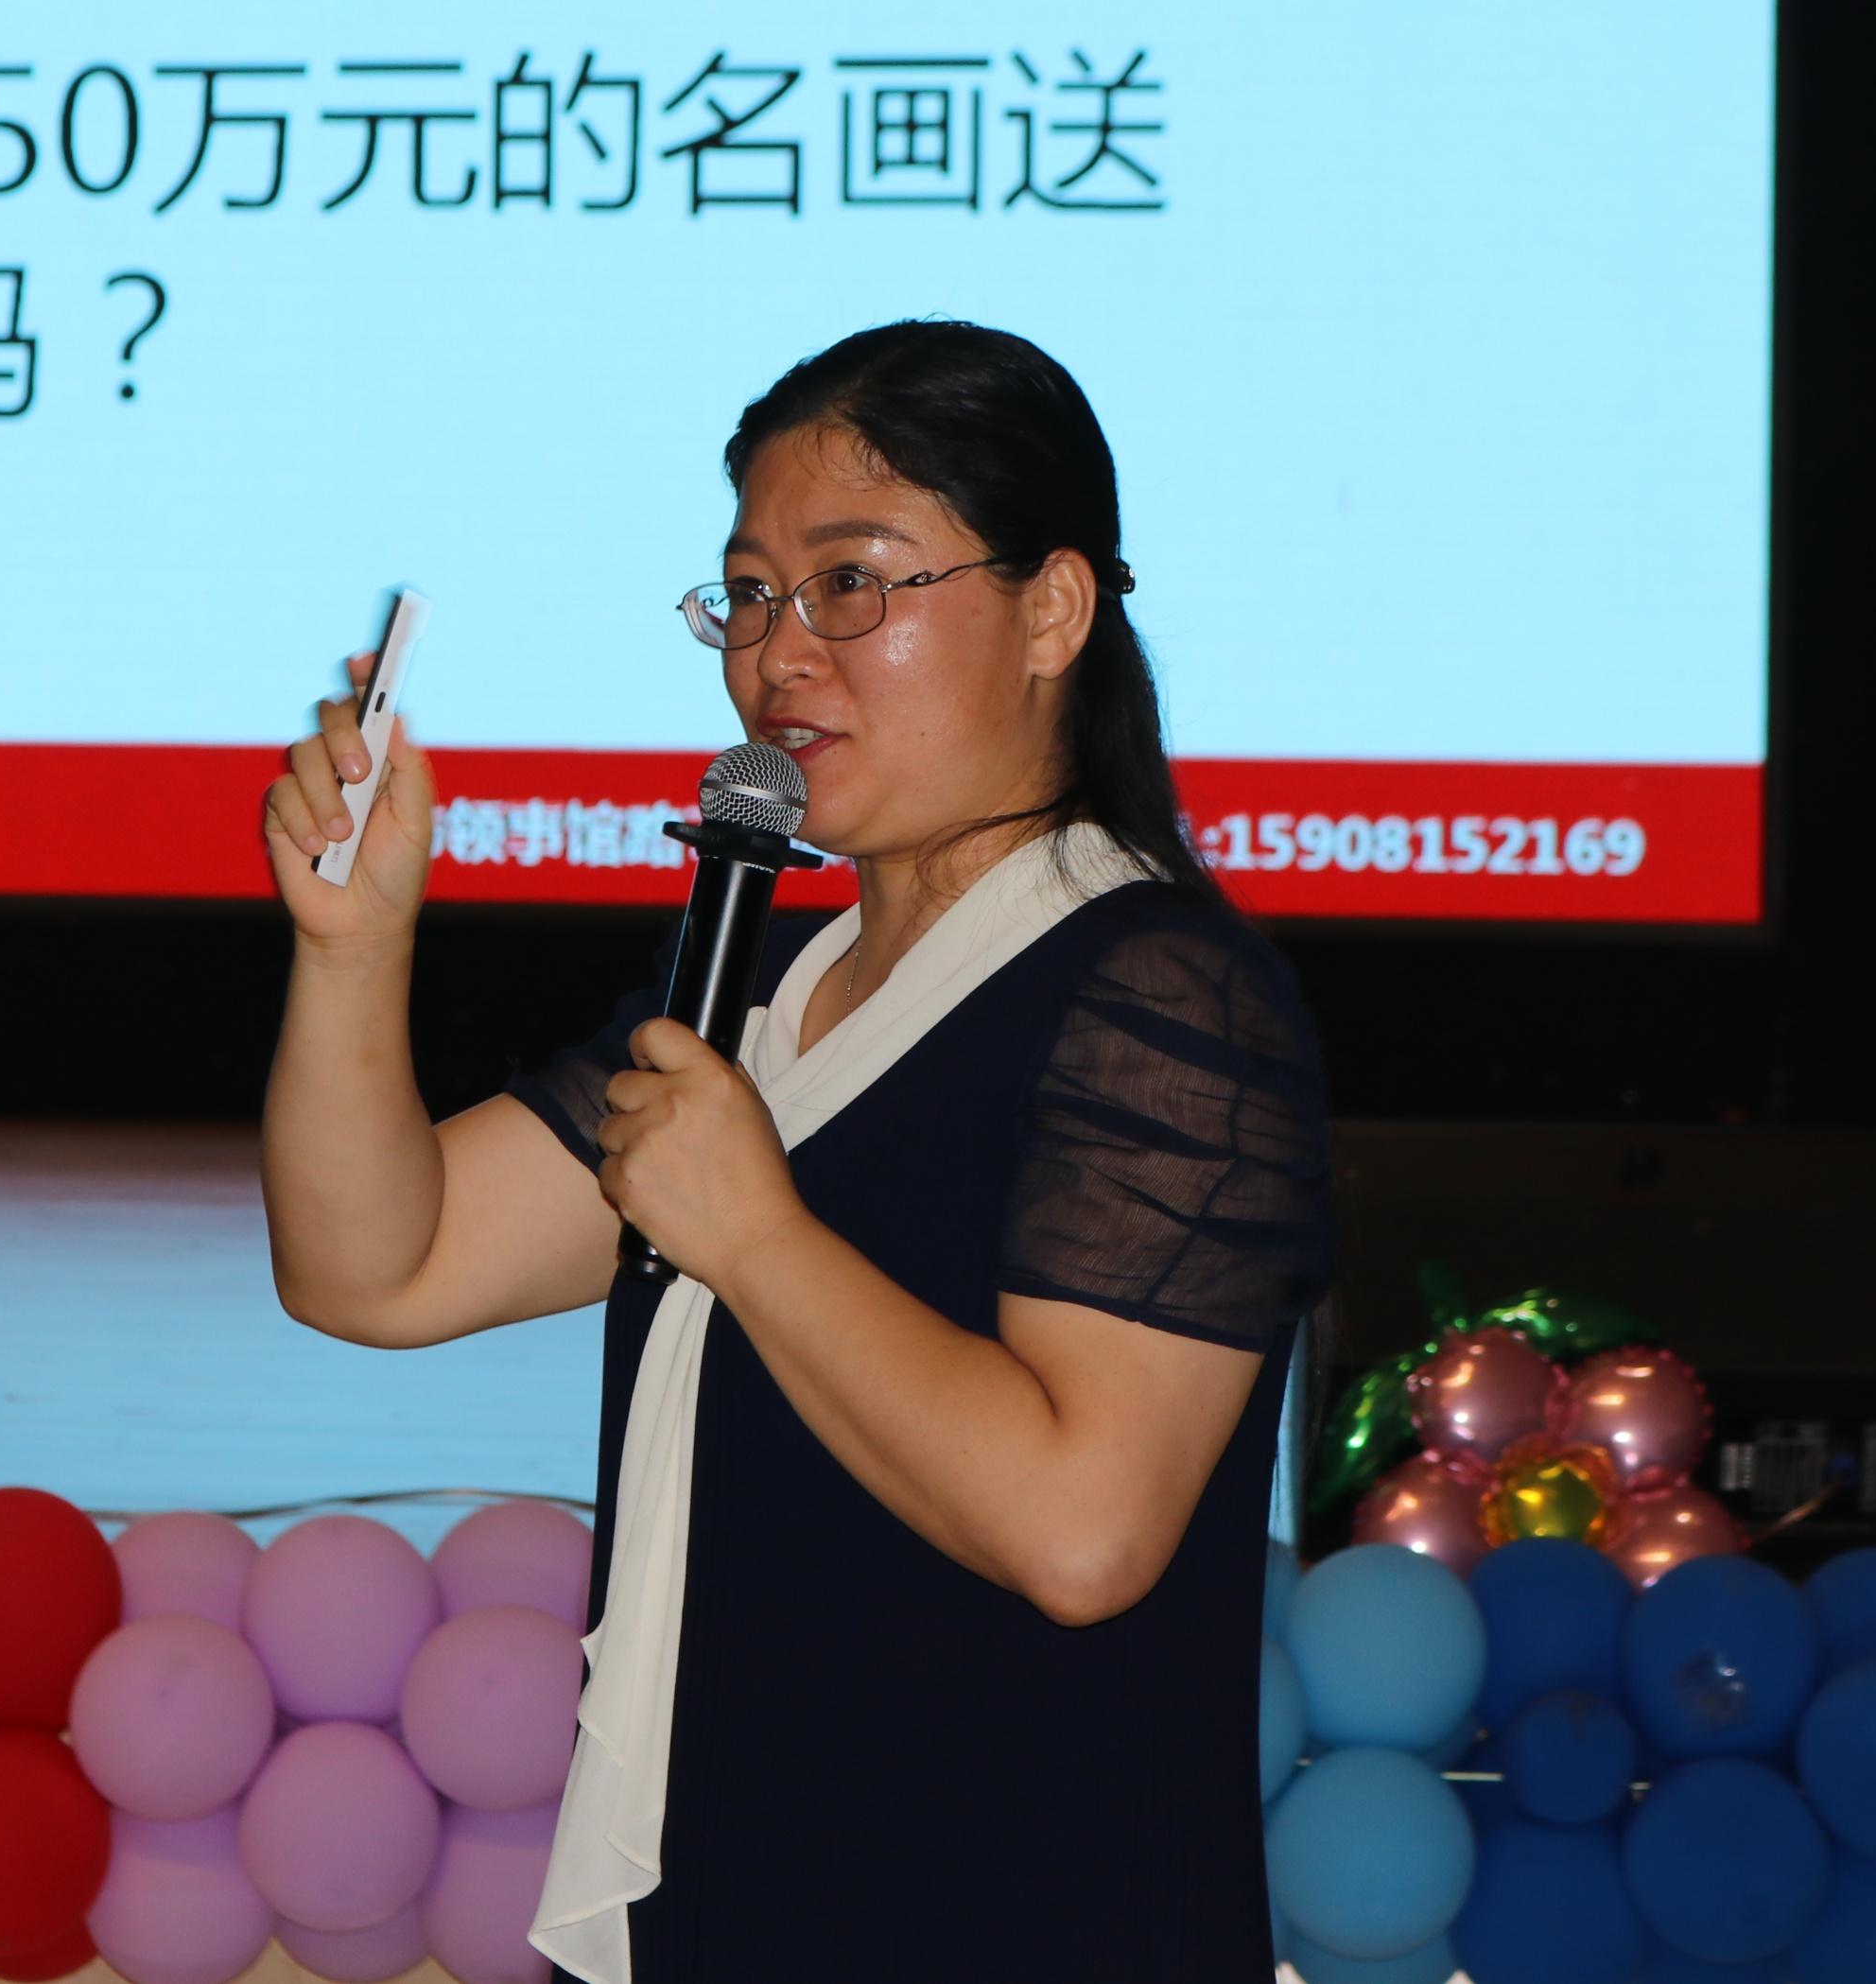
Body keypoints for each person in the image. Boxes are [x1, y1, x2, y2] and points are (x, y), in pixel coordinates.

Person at [255, 320, 1329, 1982]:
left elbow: (1082, 1531)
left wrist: (756, 1239)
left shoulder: (1162, 996)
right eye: (749, 595)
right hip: (748, 1872)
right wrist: (351, 946)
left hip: (1009, 1913)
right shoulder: (751, 992)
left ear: (1051, 610)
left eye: (852, 583)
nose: (778, 654)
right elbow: (373, 1270)